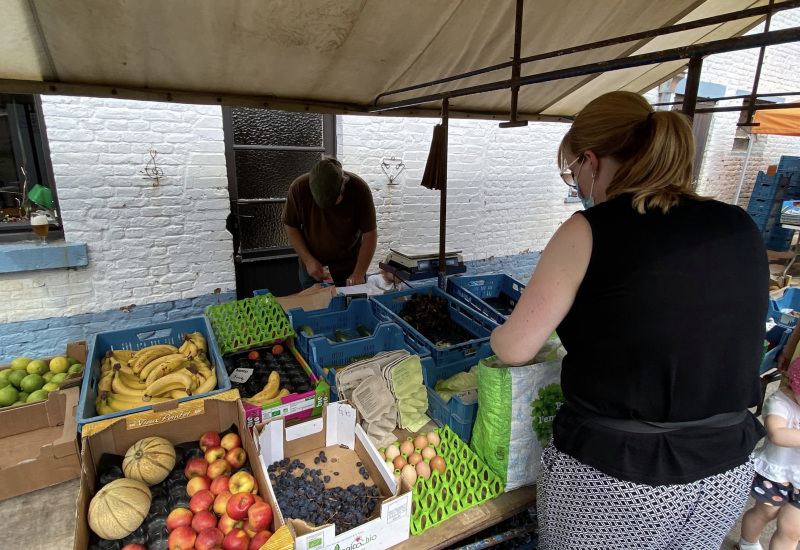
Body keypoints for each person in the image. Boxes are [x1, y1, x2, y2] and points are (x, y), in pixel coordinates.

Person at [490, 91, 769, 549]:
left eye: (573, 170)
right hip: (723, 473)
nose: (576, 183)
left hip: (617, 481)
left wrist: (500, 331)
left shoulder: (588, 229)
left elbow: (515, 348)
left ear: (591, 161)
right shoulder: (739, 225)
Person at [282, 157, 377, 289]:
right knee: (315, 308)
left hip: (350, 269)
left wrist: (359, 272)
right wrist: (308, 260)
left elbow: (370, 234)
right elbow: (291, 225)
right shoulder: (298, 188)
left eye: (335, 202)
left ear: (343, 184)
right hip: (313, 271)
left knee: (353, 307)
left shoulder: (359, 189)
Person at [737, 359, 800, 550]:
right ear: (794, 386)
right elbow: (777, 434)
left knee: (792, 529)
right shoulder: (781, 403)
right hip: (777, 475)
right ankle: (748, 543)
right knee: (765, 513)